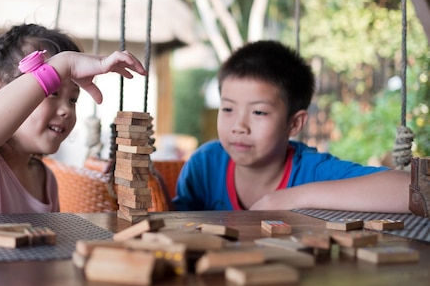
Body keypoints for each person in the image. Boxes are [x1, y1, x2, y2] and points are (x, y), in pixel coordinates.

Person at [0, 23, 147, 214]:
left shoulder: (45, 180)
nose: (66, 111)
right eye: (51, 93)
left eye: (73, 99)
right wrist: (65, 64)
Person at [172, 40, 410, 213]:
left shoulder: (311, 172)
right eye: (227, 109)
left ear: (294, 123)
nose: (239, 126)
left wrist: (292, 198)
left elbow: (409, 190)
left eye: (258, 112)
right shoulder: (205, 165)